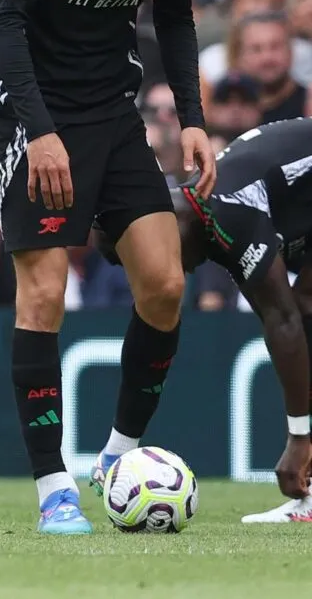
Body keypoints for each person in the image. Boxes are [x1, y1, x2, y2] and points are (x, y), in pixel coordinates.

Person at [0, 0, 218, 535]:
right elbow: (2, 19)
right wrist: (38, 130)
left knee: (166, 283)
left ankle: (117, 456)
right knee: (43, 293)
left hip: (112, 111)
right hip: (31, 106)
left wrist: (194, 119)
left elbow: (173, 17)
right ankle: (53, 486)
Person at [121, 118, 312, 523]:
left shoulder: (223, 209)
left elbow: (283, 322)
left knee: (298, 315)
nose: (178, 275)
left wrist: (298, 437)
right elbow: (281, 323)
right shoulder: (207, 221)